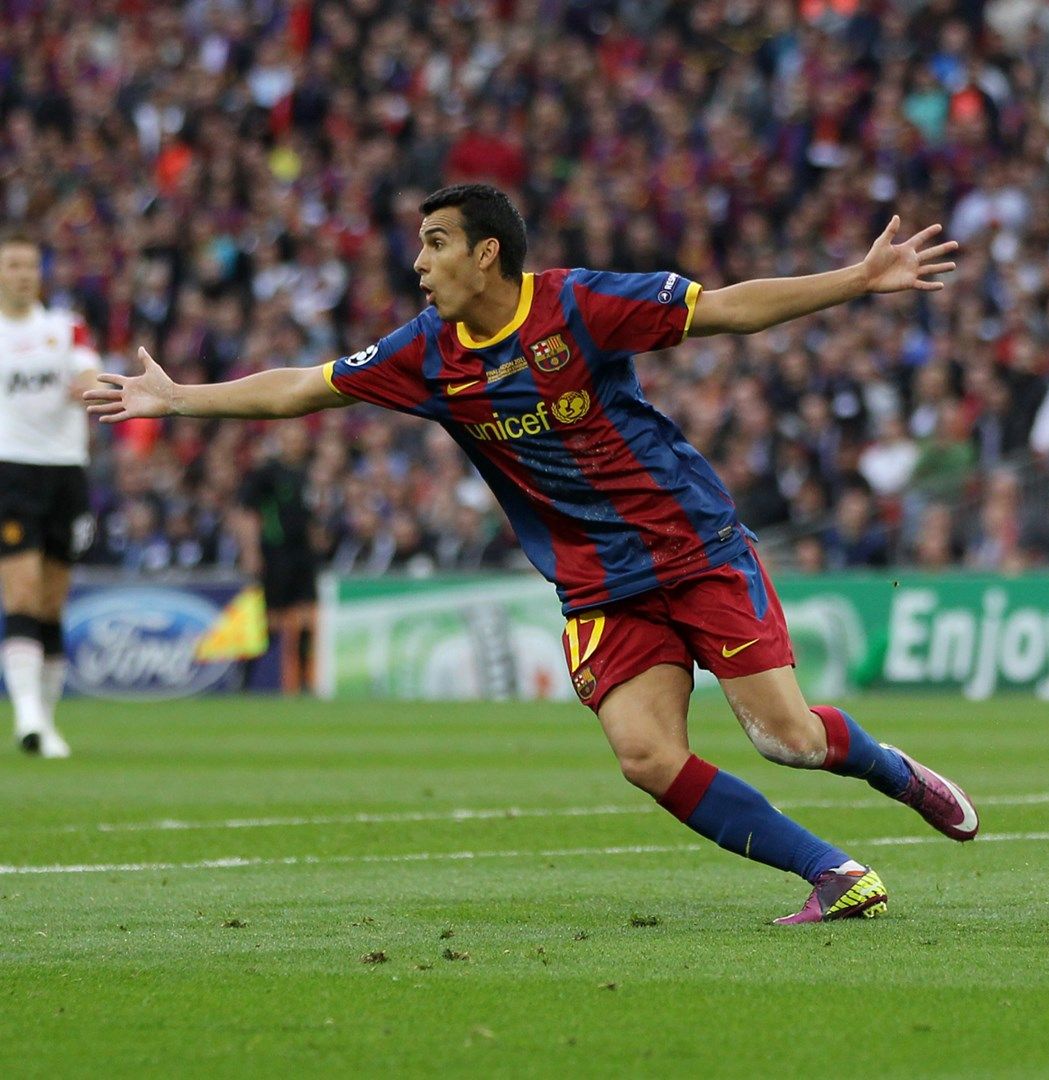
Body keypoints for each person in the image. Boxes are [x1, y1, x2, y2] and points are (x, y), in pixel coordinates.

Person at [87, 184, 976, 924]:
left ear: (487, 255)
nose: (418, 263)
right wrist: (180, 401)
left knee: (788, 739)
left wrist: (859, 279)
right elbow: (301, 389)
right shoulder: (426, 354)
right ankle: (835, 874)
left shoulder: (580, 304)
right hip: (597, 583)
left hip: (690, 545)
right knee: (645, 756)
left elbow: (728, 308)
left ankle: (893, 771)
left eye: (436, 244)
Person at [0, 230, 99, 759]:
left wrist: (85, 386)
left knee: (50, 603)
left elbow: (89, 373)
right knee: (19, 593)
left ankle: (47, 720)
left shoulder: (65, 326)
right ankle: (28, 720)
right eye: (12, 265)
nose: (21, 274)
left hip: (66, 471)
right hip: (11, 470)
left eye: (28, 266)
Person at [236, 423, 321, 693]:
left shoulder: (308, 473)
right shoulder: (267, 473)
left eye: (299, 438)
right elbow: (247, 512)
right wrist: (251, 552)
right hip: (276, 554)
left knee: (308, 616)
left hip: (303, 555)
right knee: (271, 619)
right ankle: (246, 678)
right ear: (281, 441)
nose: (296, 443)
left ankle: (305, 683)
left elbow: (308, 514)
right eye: (290, 438)